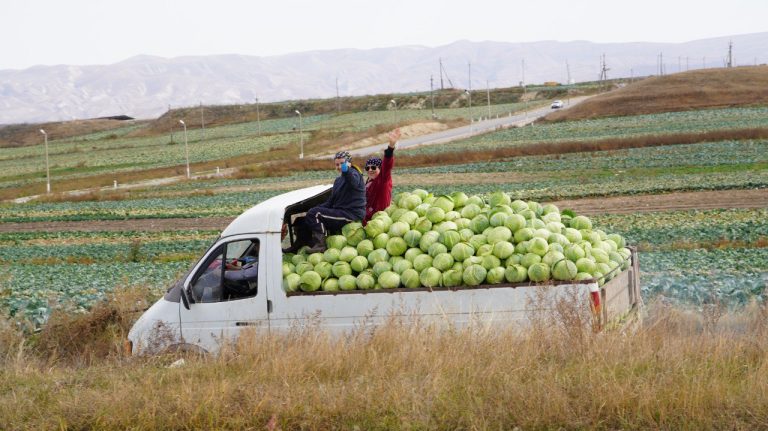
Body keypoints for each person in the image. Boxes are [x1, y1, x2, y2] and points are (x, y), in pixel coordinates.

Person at [286, 150, 366, 253]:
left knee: (316, 214)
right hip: (340, 211)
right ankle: (301, 243)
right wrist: (313, 209)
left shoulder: (355, 175)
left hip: (351, 214)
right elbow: (331, 202)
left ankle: (320, 245)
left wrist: (346, 170)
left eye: (342, 163)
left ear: (349, 163)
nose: (339, 166)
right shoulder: (338, 181)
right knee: (302, 219)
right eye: (337, 164)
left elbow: (353, 182)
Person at [363, 128, 400, 224]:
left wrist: (391, 147)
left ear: (380, 169)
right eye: (367, 168)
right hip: (368, 220)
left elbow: (387, 165)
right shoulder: (368, 183)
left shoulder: (383, 180)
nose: (370, 170)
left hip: (380, 221)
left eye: (373, 167)